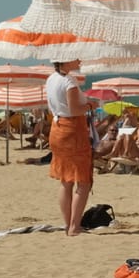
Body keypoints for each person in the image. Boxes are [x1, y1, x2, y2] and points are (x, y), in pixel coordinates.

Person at [45, 60, 94, 235]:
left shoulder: (51, 79)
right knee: (83, 181)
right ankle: (74, 226)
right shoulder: (69, 81)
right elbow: (74, 109)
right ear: (65, 60)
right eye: (75, 57)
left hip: (57, 128)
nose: (79, 60)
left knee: (66, 180)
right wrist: (90, 105)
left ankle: (69, 224)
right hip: (72, 129)